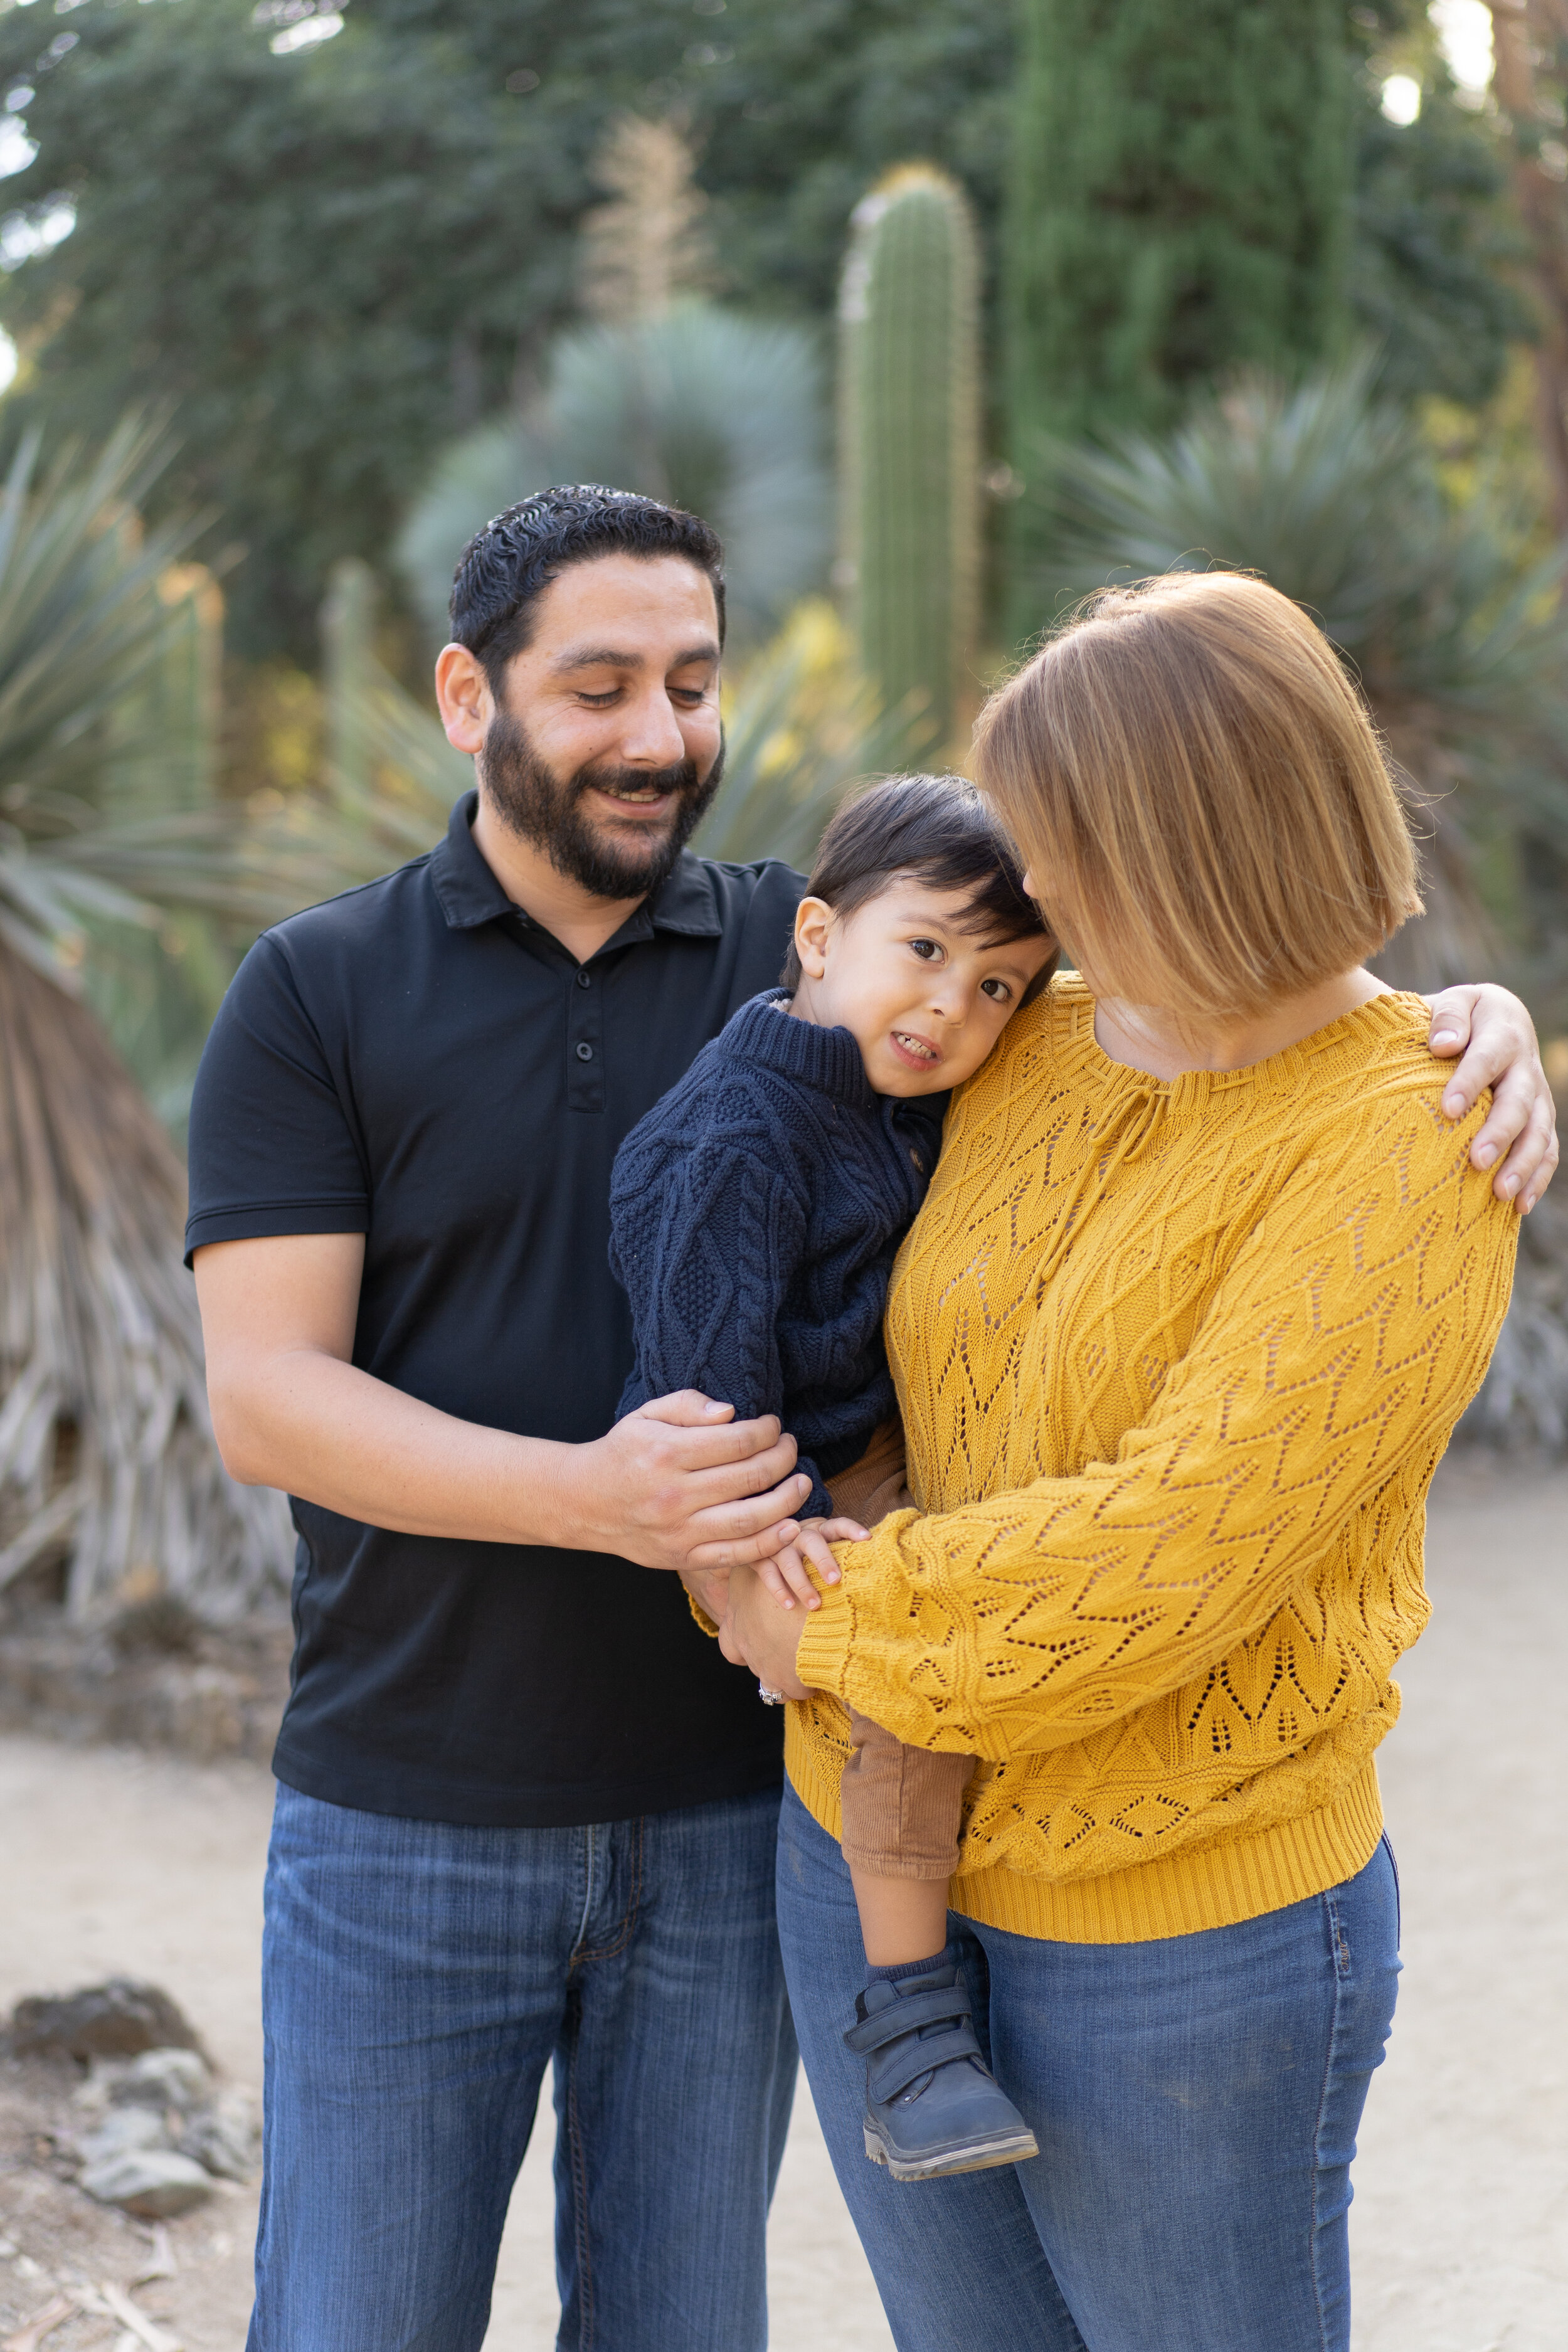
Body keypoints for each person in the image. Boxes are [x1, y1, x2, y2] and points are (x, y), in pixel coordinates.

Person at [185, 481, 1552, 2352]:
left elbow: (1223, 1012)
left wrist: (1460, 1013)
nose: (657, 731)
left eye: (690, 677)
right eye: (597, 683)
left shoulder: (898, 975)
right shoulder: (335, 990)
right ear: (463, 692)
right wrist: (636, 1513)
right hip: (554, 1806)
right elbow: (263, 1392)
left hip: (928, 1850)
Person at [714, 570, 1553, 2352]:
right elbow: (767, 1047)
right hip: (860, 1864)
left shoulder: (1407, 1144)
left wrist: (818, 1618)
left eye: (1064, 844)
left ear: (1190, 841)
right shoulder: (1018, 1027)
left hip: (1180, 1942)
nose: (1028, 886)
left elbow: (1172, 1545)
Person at [610, 773, 1054, 2180]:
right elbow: (702, 1376)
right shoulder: (743, 1131)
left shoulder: (881, 1085)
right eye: (921, 951)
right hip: (753, 1457)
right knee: (906, 1644)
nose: (949, 1011)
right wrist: (768, 1539)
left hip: (863, 1437)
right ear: (817, 934)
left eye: (998, 988)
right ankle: (908, 2022)